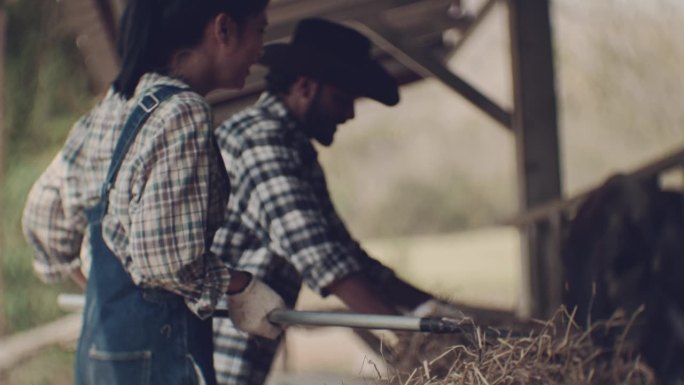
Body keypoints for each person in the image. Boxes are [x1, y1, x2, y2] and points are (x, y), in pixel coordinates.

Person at [21, 1, 287, 384]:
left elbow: (43, 221)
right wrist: (238, 285)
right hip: (160, 358)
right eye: (259, 30)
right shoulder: (183, 111)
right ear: (223, 29)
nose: (261, 48)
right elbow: (167, 262)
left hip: (100, 356)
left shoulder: (112, 107)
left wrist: (111, 296)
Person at [211, 18, 438, 385]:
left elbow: (345, 253)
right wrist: (410, 338)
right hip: (211, 360)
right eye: (343, 98)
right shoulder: (261, 141)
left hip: (240, 356)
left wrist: (430, 308)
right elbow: (320, 257)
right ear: (305, 86)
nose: (348, 114)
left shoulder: (293, 148)